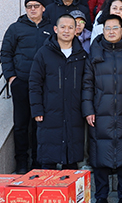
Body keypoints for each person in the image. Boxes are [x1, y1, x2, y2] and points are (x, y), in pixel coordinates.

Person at [82, 14, 122, 203]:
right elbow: (87, 84)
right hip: (101, 111)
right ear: (103, 30)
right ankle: (101, 198)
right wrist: (88, 109)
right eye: (108, 28)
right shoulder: (95, 52)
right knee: (100, 156)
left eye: (116, 28)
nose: (112, 31)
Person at [0, 0, 53, 174]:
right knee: (21, 125)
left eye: (36, 6)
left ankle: (38, 162)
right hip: (21, 82)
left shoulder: (51, 28)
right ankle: (21, 162)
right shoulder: (16, 28)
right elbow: (6, 53)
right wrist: (11, 78)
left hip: (44, 85)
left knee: (40, 124)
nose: (32, 9)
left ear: (43, 8)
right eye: (29, 6)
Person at [28, 14, 88, 169]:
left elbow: (87, 85)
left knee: (71, 160)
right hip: (49, 112)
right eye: (63, 27)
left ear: (76, 30)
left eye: (70, 27)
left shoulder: (81, 56)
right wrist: (37, 109)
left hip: (74, 113)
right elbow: (35, 83)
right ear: (55, 29)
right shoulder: (43, 53)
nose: (66, 31)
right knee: (48, 159)